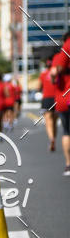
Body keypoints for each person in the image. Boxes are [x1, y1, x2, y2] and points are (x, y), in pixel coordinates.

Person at [51, 31, 70, 175]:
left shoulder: (60, 55)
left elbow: (53, 73)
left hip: (64, 99)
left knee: (66, 132)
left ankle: (68, 164)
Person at [39, 57, 58, 152]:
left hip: (47, 99)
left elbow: (39, 87)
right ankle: (54, 137)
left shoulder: (43, 74)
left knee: (48, 121)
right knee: (54, 121)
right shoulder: (57, 74)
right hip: (57, 98)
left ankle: (51, 138)